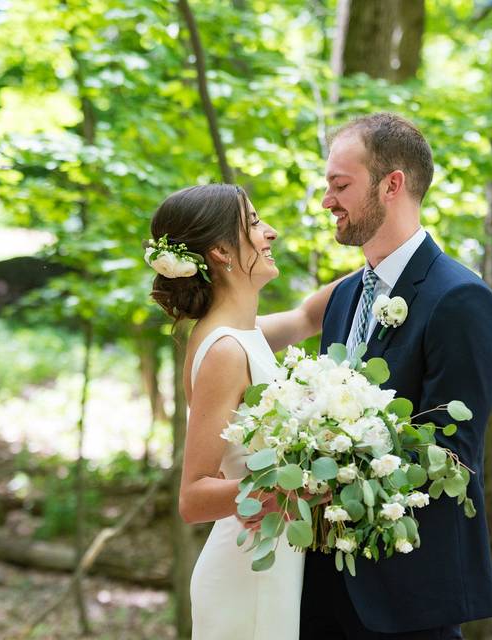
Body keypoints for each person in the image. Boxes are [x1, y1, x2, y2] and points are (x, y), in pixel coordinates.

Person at [300, 113, 492, 639]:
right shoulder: (345, 296)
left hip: (411, 594)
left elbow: (452, 455)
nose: (328, 201)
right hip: (324, 588)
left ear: (392, 184)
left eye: (340, 185)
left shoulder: (460, 299)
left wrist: (342, 474)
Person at [148, 183, 340, 640]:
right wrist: (291, 487)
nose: (269, 232)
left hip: (270, 561)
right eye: (254, 223)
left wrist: (385, 262)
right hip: (246, 570)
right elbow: (193, 498)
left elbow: (307, 318)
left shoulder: (242, 334)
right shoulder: (225, 351)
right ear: (220, 251)